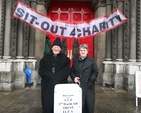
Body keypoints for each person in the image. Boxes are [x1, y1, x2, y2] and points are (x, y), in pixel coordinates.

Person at [38, 37, 70, 113]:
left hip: (60, 83)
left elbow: (65, 71)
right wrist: (51, 77)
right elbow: (42, 70)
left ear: (60, 49)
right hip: (47, 83)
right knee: (48, 101)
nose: (56, 49)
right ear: (52, 48)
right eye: (55, 47)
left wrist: (55, 78)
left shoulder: (65, 59)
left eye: (58, 47)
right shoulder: (45, 58)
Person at [70, 44, 98, 113]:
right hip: (78, 86)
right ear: (79, 51)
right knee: (79, 106)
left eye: (84, 50)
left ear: (87, 51)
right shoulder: (76, 61)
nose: (82, 52)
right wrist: (74, 78)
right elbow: (71, 71)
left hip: (88, 86)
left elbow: (95, 72)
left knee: (89, 105)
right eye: (81, 50)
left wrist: (91, 80)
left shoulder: (91, 61)